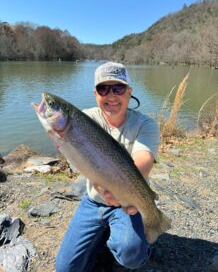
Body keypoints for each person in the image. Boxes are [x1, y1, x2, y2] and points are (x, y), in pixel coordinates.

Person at [55, 62, 160, 271]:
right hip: (93, 201)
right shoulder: (84, 120)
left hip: (128, 200)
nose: (111, 96)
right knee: (65, 268)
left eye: (118, 88)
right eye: (104, 89)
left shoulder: (145, 124)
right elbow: (75, 158)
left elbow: (144, 159)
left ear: (129, 92)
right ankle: (102, 240)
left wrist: (122, 192)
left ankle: (144, 244)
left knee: (132, 257)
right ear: (95, 93)